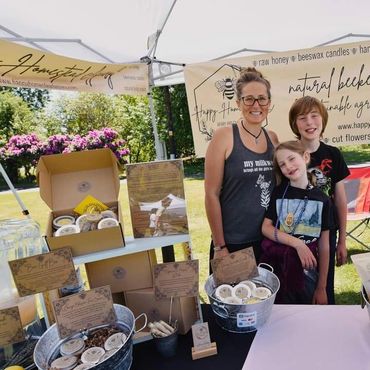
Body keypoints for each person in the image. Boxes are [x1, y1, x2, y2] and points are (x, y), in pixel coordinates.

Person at [204, 67, 279, 270]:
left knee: (266, 300)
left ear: (269, 103)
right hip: (233, 244)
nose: (256, 105)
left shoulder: (273, 139)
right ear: (238, 103)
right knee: (234, 301)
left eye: (262, 99)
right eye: (249, 99)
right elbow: (211, 194)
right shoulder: (224, 136)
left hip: (267, 241)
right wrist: (220, 246)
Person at [289, 96, 350, 304]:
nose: (309, 122)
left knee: (323, 289)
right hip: (296, 233)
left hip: (327, 231)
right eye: (302, 118)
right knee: (298, 288)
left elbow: (340, 200)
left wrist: (342, 240)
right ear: (295, 124)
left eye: (314, 116)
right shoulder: (288, 154)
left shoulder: (333, 154)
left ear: (322, 119)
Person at [261, 141, 331, 304]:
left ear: (305, 157)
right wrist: (298, 244)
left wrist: (321, 287)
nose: (289, 166)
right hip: (277, 267)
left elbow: (325, 245)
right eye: (283, 164)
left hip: (307, 271)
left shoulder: (323, 200)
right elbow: (266, 228)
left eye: (292, 159)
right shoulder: (279, 193)